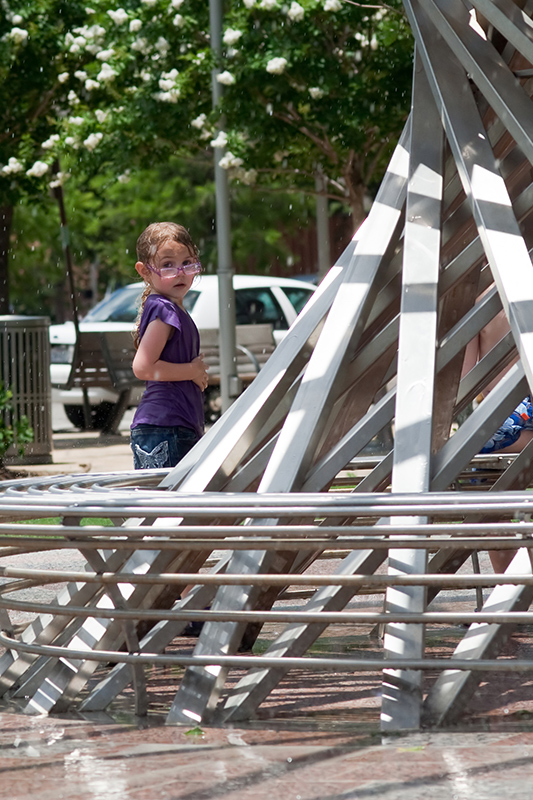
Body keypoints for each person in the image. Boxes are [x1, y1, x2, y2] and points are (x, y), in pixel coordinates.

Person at [130, 221, 209, 470]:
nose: (180, 272)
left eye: (187, 263)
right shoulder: (164, 309)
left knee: (172, 506)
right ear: (144, 272)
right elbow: (143, 367)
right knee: (166, 506)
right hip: (164, 427)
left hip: (172, 425)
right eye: (167, 265)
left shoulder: (171, 308)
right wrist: (192, 371)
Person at [462, 304, 533, 572]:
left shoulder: (479, 301)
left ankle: (512, 591)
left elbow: (465, 377)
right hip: (516, 417)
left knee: (490, 502)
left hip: (503, 417)